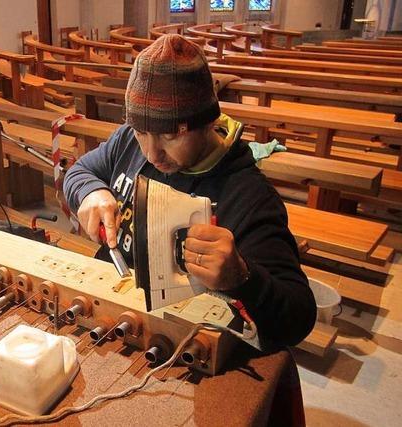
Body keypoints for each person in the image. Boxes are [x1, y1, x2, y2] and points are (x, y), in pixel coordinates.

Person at [63, 34, 316, 347]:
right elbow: (80, 171)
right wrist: (89, 191)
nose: (152, 154)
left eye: (171, 136)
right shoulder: (129, 140)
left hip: (185, 341)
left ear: (208, 123)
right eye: (142, 133)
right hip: (111, 312)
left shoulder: (248, 195)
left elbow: (300, 316)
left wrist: (243, 277)